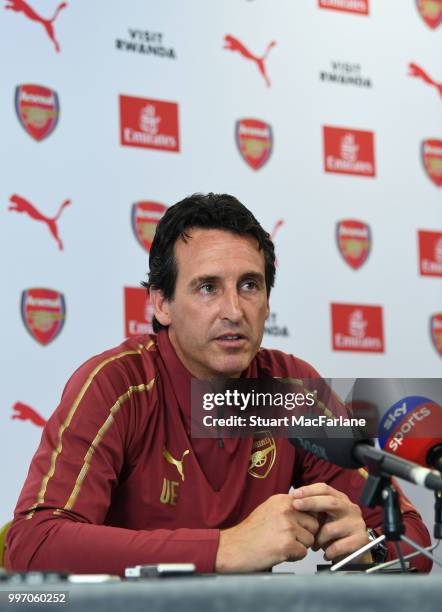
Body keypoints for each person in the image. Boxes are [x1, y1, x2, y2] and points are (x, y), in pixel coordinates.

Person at [6, 193, 431, 575]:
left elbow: (413, 539)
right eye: (208, 287)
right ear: (162, 303)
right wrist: (223, 548)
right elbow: (34, 542)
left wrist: (367, 550)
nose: (233, 310)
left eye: (249, 285)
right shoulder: (116, 385)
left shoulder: (289, 389)